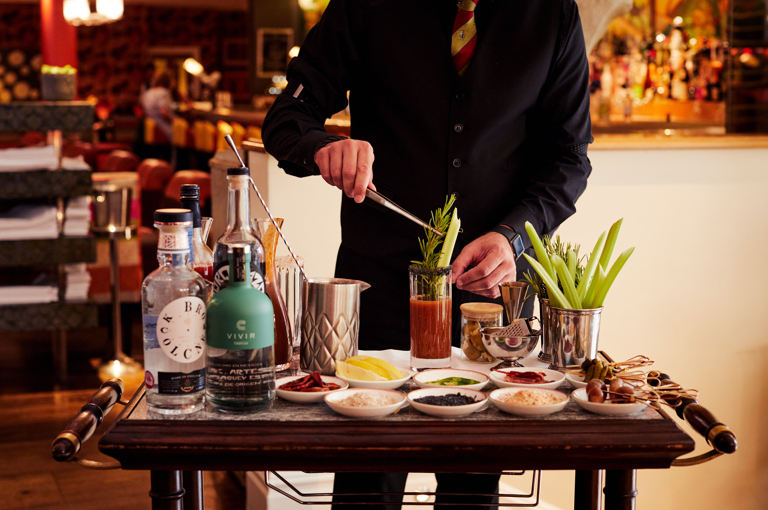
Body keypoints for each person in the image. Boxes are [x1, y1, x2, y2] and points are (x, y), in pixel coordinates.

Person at [263, 0, 593, 508]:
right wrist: (320, 146)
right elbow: (287, 117)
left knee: (472, 488)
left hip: (489, 296)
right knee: (366, 484)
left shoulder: (552, 13)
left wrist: (514, 236)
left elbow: (568, 160)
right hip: (376, 290)